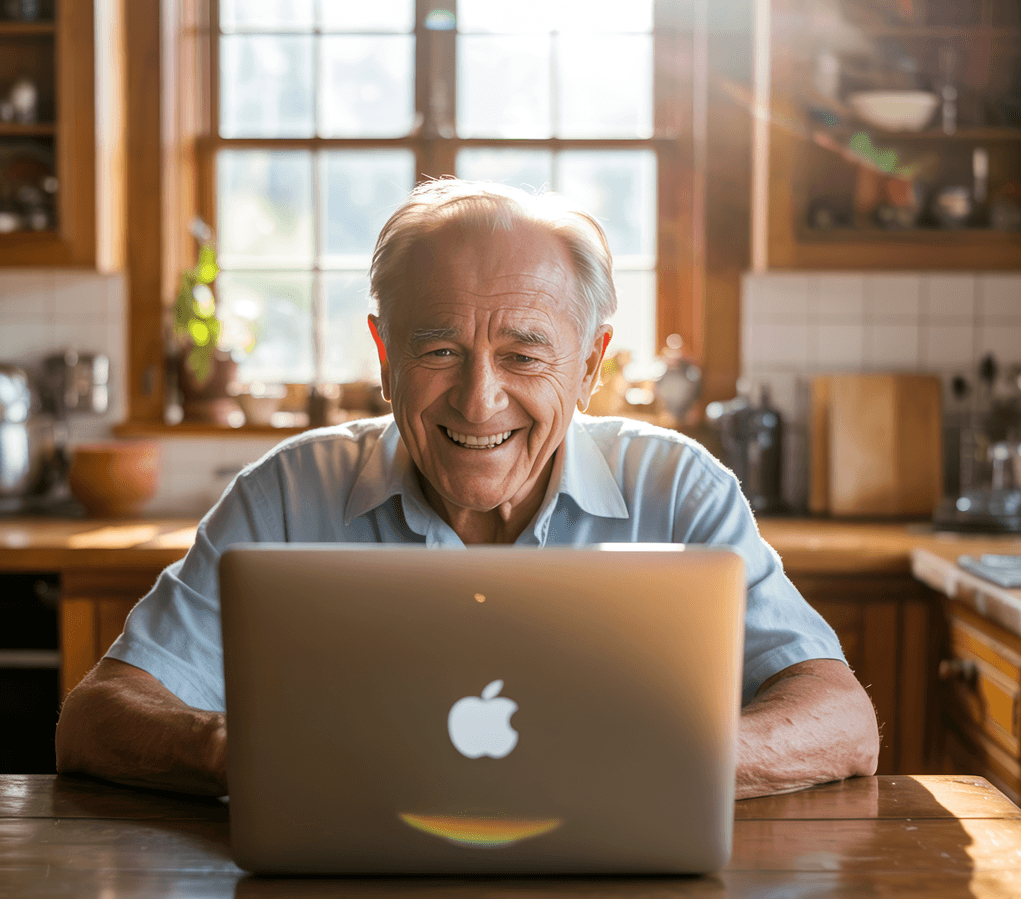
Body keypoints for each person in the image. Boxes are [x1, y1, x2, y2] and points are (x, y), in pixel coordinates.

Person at [55, 179, 879, 799]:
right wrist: (243, 751)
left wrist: (657, 761)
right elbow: (96, 719)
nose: (479, 401)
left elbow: (842, 723)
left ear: (591, 364)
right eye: (440, 350)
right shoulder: (284, 492)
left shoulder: (680, 489)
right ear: (385, 355)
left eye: (524, 355)